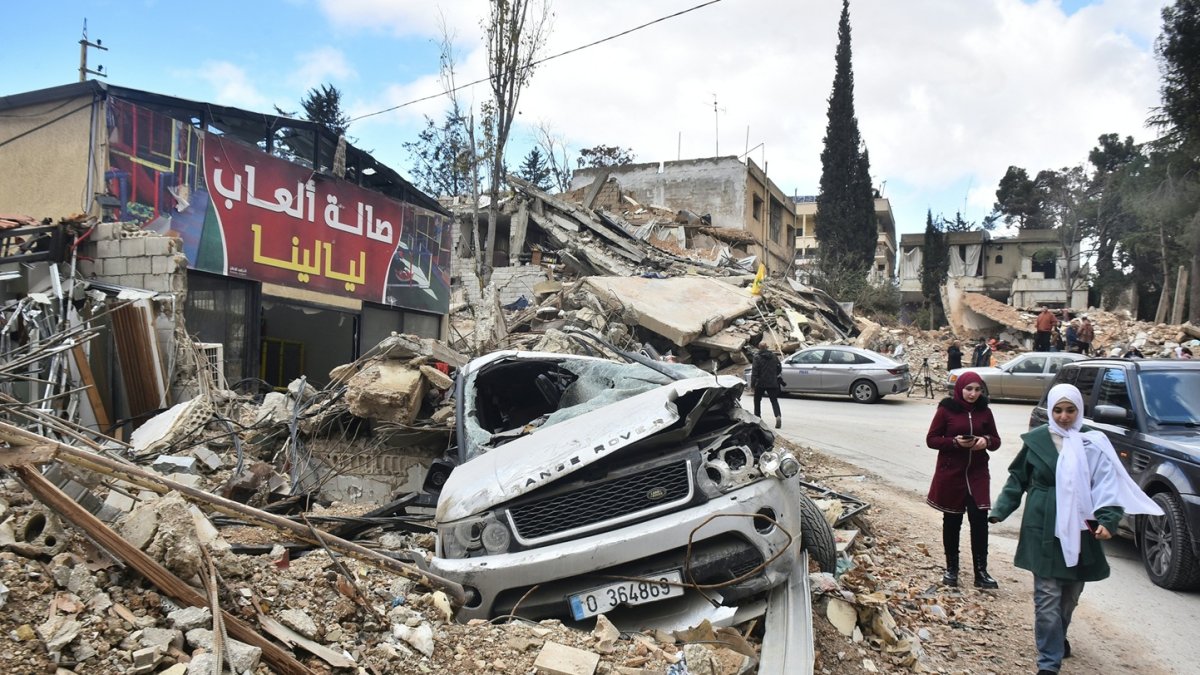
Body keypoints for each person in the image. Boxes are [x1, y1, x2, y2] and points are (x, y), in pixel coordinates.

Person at [989, 384, 1163, 675]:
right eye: (1058, 410)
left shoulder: (1092, 444)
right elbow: (1017, 480)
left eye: (1071, 410)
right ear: (1051, 410)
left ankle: (1057, 636)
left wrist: (1108, 521)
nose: (1064, 416)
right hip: (1042, 525)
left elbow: (1107, 487)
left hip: (1083, 527)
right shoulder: (1036, 441)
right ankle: (1049, 662)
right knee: (1047, 598)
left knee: (1069, 597)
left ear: (1080, 411)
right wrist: (999, 511)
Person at [925, 371, 1002, 588]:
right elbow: (932, 439)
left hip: (977, 473)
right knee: (952, 521)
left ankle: (981, 572)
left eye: (978, 389)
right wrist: (955, 443)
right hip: (952, 474)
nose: (973, 394)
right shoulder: (946, 409)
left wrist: (985, 441)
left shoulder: (985, 411)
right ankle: (952, 570)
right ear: (960, 389)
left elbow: (996, 440)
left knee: (979, 522)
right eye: (969, 389)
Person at [751, 343, 783, 429]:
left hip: (760, 383)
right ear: (767, 347)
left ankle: (757, 419)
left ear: (759, 348)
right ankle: (778, 416)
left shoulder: (757, 357)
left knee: (757, 400)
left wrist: (752, 385)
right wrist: (774, 375)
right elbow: (779, 367)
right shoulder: (773, 356)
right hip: (772, 382)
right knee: (774, 400)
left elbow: (754, 372)